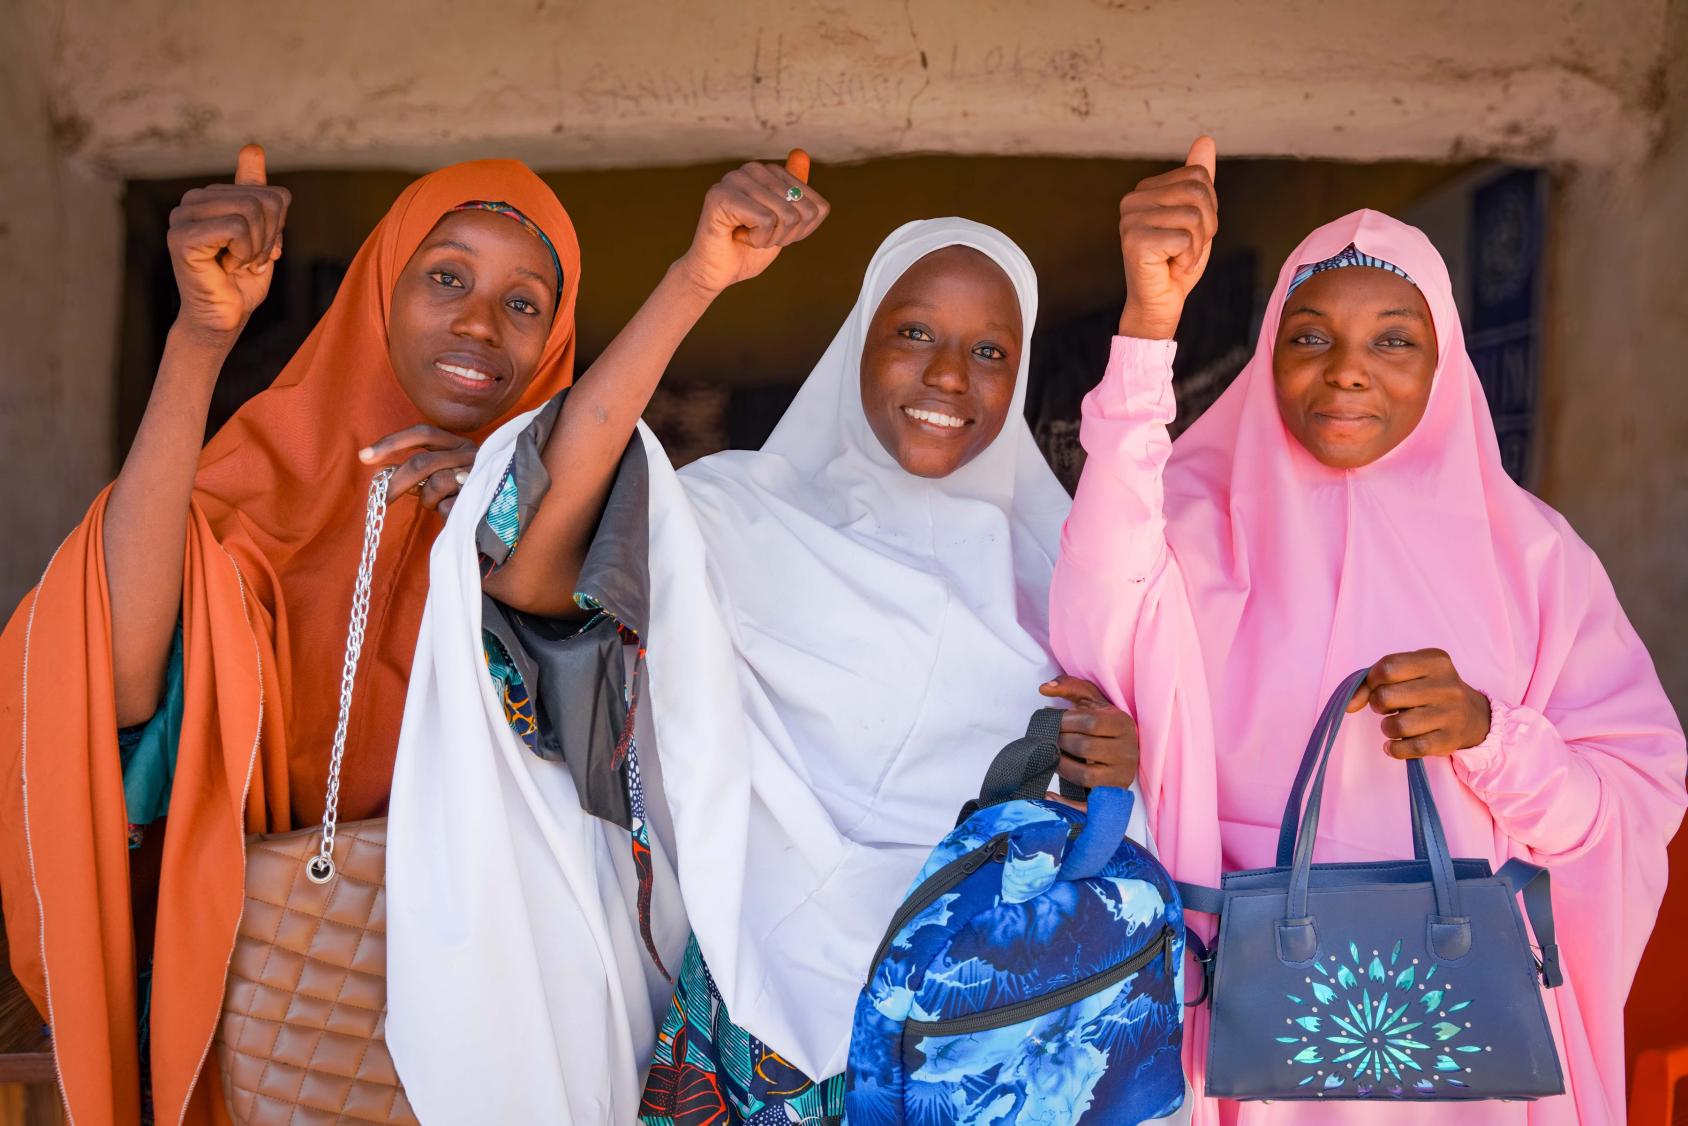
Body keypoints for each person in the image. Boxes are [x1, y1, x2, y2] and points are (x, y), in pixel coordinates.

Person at [454, 156, 1149, 1122]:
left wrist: (1117, 769)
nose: (948, 374)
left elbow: (1112, 819)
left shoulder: (1065, 579)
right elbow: (529, 566)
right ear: (856, 342)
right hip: (758, 1027)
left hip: (975, 1042)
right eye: (913, 333)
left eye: (991, 351)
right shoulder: (737, 517)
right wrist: (699, 275)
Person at [1050, 137, 1688, 1123]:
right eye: (1309, 337)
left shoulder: (1530, 562)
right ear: (1267, 354)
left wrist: (1489, 733)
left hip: (1457, 1060)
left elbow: (1624, 807)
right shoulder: (1180, 524)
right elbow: (1096, 614)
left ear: (1442, 364)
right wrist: (1147, 324)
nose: (1347, 372)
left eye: (1393, 339)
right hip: (1240, 1041)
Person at [0, 145, 624, 1124]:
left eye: (523, 302)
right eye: (446, 277)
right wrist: (201, 340)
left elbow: (630, 788)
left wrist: (504, 526)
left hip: (506, 1036)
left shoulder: (582, 542)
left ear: (555, 340)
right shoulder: (258, 497)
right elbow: (108, 683)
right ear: (380, 290)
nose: (477, 323)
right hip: (280, 1018)